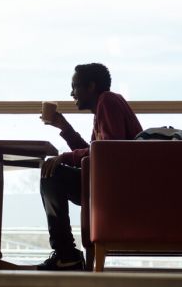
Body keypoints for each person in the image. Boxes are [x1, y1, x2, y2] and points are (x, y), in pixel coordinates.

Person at [38, 63, 142, 271]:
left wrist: (64, 157)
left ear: (91, 86)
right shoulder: (104, 107)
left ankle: (66, 255)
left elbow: (107, 150)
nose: (71, 93)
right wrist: (64, 127)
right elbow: (95, 152)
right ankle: (66, 255)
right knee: (53, 173)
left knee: (52, 175)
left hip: (117, 187)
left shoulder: (108, 101)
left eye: (75, 86)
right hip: (109, 183)